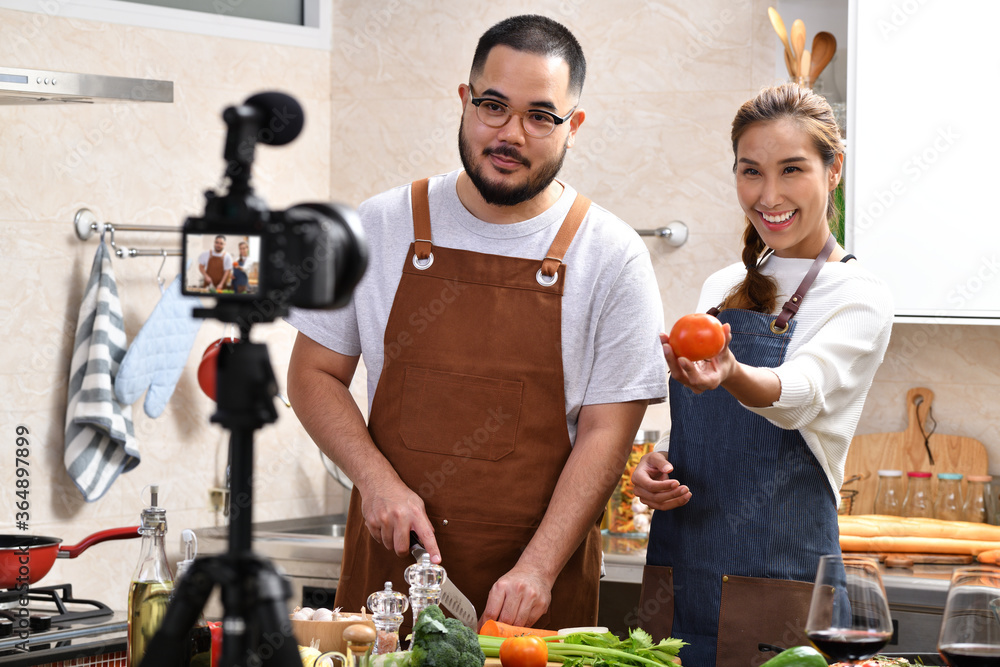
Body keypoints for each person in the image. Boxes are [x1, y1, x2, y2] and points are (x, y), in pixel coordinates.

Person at [285, 14, 667, 632]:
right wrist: (376, 483)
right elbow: (312, 374)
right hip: (391, 577)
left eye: (541, 116)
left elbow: (608, 431)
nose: (510, 133)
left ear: (575, 126)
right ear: (465, 101)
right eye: (493, 105)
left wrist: (538, 569)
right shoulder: (378, 226)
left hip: (534, 592)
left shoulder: (612, 254)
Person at [631, 83, 893, 667]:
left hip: (782, 585)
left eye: (791, 169)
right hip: (682, 578)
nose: (768, 194)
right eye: (751, 172)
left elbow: (799, 396)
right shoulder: (720, 287)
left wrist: (730, 371)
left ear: (833, 170)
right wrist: (660, 468)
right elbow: (700, 430)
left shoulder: (859, 295)